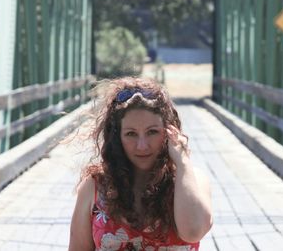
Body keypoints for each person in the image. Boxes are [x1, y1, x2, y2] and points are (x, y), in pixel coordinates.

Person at [68, 77, 212, 251]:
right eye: (131, 134)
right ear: (117, 137)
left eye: (152, 132)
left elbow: (193, 232)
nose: (142, 146)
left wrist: (182, 162)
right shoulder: (94, 187)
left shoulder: (193, 180)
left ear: (169, 132)